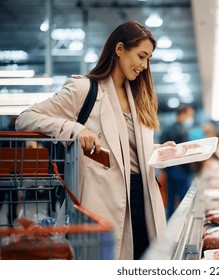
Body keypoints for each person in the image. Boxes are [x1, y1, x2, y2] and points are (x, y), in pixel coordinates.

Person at [15, 20, 175, 260]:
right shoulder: (84, 89)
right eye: (141, 56)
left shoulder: (139, 96)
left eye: (148, 59)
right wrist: (75, 129)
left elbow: (126, 151)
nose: (144, 65)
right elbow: (25, 118)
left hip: (143, 199)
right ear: (119, 49)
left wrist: (159, 150)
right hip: (104, 200)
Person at [159, 105, 194, 218]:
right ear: (183, 114)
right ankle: (184, 223)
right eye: (190, 115)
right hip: (181, 171)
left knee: (170, 199)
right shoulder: (181, 130)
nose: (190, 118)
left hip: (169, 170)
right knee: (184, 200)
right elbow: (185, 153)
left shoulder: (167, 130)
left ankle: (169, 223)